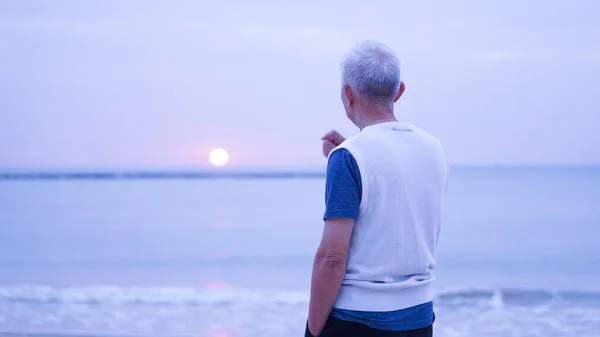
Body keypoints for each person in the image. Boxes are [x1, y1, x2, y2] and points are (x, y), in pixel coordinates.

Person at [305, 40, 449, 337]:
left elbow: (332, 257)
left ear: (347, 93)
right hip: (419, 318)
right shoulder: (433, 149)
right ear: (399, 91)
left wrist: (313, 331)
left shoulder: (348, 157)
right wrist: (348, 152)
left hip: (358, 321)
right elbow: (394, 191)